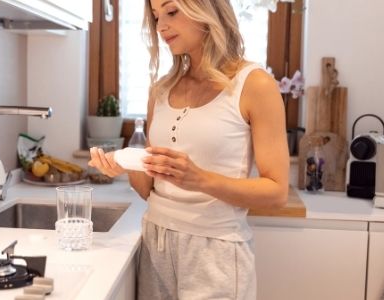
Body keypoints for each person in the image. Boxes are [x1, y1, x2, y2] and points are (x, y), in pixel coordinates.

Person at [88, 0, 289, 298]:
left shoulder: (255, 84)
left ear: (206, 9)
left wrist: (199, 178)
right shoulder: (161, 89)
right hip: (155, 243)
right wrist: (123, 165)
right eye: (156, 17)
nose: (161, 27)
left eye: (171, 12)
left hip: (215, 251)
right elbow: (151, 189)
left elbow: (277, 192)